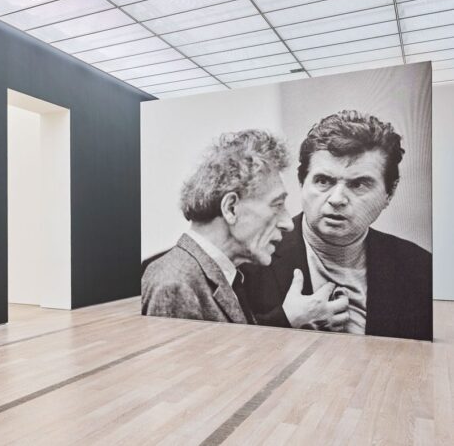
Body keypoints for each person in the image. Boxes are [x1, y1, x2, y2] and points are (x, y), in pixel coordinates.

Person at [243, 110, 433, 340]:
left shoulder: (419, 268)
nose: (337, 199)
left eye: (359, 184)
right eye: (323, 181)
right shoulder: (250, 260)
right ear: (302, 182)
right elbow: (229, 353)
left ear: (389, 193)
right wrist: (286, 322)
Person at [142, 130, 295, 323]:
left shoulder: (223, 276)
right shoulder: (175, 285)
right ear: (231, 208)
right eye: (277, 205)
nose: (288, 224)